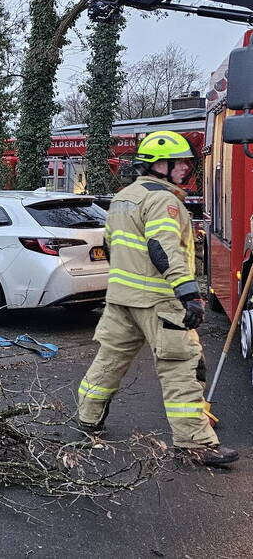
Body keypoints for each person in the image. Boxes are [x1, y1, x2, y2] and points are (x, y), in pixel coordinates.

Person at [76, 131, 238, 467]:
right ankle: (195, 443)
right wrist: (188, 293)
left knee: (108, 362)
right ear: (157, 165)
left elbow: (110, 247)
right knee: (181, 367)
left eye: (186, 163)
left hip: (121, 299)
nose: (185, 169)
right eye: (178, 163)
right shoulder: (164, 201)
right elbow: (161, 247)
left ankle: (88, 419)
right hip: (160, 301)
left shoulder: (122, 199)